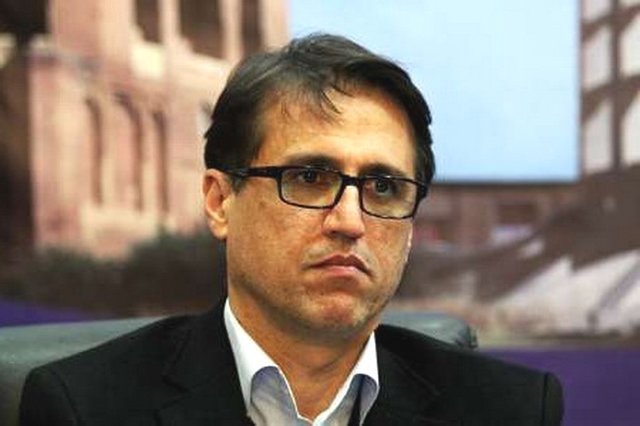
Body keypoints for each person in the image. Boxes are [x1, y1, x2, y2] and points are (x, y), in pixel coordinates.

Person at [19, 33, 563, 425]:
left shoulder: (509, 411)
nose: (350, 221)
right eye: (308, 178)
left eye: (383, 187)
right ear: (220, 202)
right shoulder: (86, 407)